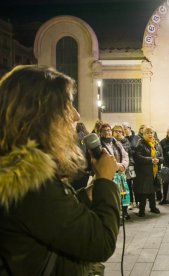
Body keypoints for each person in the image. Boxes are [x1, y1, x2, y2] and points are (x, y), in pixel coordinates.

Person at [0, 66, 120, 275]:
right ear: (40, 115)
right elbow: (100, 242)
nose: (76, 115)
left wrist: (86, 196)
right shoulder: (28, 180)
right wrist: (105, 182)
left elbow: (48, 222)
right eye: (67, 105)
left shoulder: (23, 173)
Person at [100, 124, 130, 219]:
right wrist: (118, 166)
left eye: (108, 130)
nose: (107, 132)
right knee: (112, 196)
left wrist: (124, 166)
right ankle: (114, 215)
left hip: (120, 173)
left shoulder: (116, 142)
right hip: (109, 175)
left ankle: (124, 213)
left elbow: (125, 155)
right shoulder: (99, 144)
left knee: (123, 194)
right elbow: (106, 159)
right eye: (104, 130)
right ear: (101, 133)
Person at [133, 126, 163, 217]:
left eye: (151, 132)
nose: (150, 134)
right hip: (143, 172)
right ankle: (141, 210)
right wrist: (151, 160)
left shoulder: (156, 144)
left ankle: (153, 207)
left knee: (152, 191)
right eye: (147, 133)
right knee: (143, 192)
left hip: (154, 171)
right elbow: (137, 157)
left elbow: (162, 157)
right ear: (143, 134)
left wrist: (158, 160)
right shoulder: (140, 144)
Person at [112, 124, 136, 211]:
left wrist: (128, 166)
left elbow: (129, 155)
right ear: (112, 132)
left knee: (126, 189)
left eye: (120, 131)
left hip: (124, 169)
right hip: (113, 170)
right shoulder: (110, 142)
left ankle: (126, 209)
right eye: (116, 131)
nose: (118, 133)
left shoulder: (126, 141)